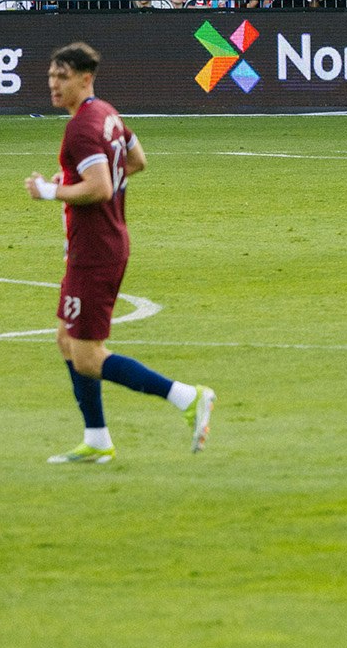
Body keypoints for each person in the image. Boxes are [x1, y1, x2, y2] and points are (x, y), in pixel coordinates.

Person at [23, 43, 215, 465]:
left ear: (85, 78)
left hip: (96, 250)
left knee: (88, 356)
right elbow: (138, 161)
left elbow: (101, 188)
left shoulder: (81, 128)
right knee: (66, 340)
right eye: (51, 76)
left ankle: (187, 396)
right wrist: (80, 177)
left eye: (62, 77)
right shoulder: (106, 113)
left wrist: (50, 191)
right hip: (100, 245)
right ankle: (96, 439)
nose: (53, 85)